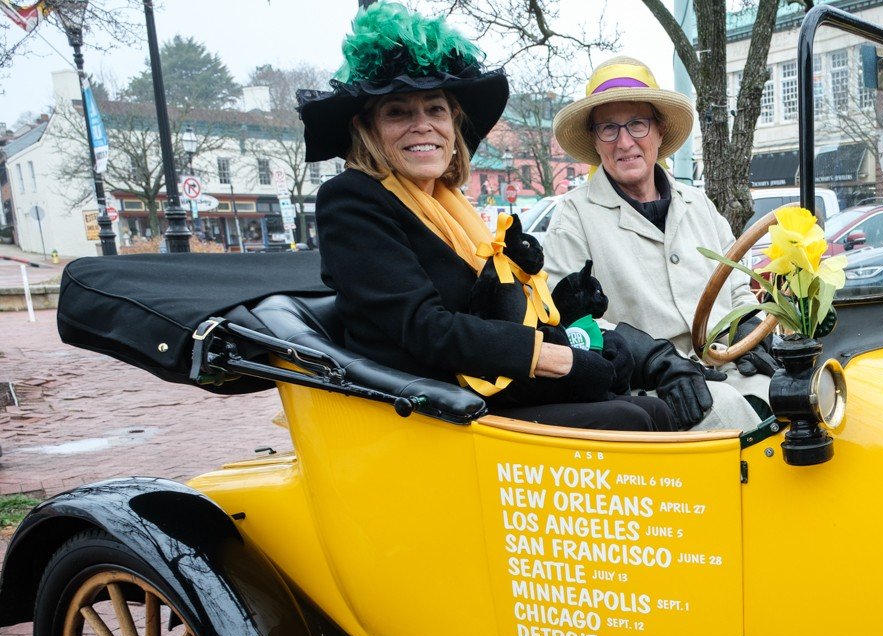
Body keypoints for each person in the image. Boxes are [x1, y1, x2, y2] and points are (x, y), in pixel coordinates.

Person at [298, 3, 672, 432]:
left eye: (435, 109)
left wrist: (570, 316)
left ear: (453, 124)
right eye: (398, 112)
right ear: (369, 129)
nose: (423, 126)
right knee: (633, 418)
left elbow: (485, 305)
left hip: (478, 386)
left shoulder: (447, 203)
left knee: (653, 408)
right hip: (427, 408)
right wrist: (560, 357)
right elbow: (426, 329)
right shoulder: (349, 200)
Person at [545, 57, 772, 430]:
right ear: (594, 140)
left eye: (637, 124)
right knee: (728, 419)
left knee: (796, 396)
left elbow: (735, 285)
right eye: (608, 128)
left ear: (659, 131)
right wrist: (653, 361)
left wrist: (748, 325)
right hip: (647, 392)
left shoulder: (697, 203)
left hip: (723, 366)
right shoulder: (574, 217)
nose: (624, 142)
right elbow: (570, 321)